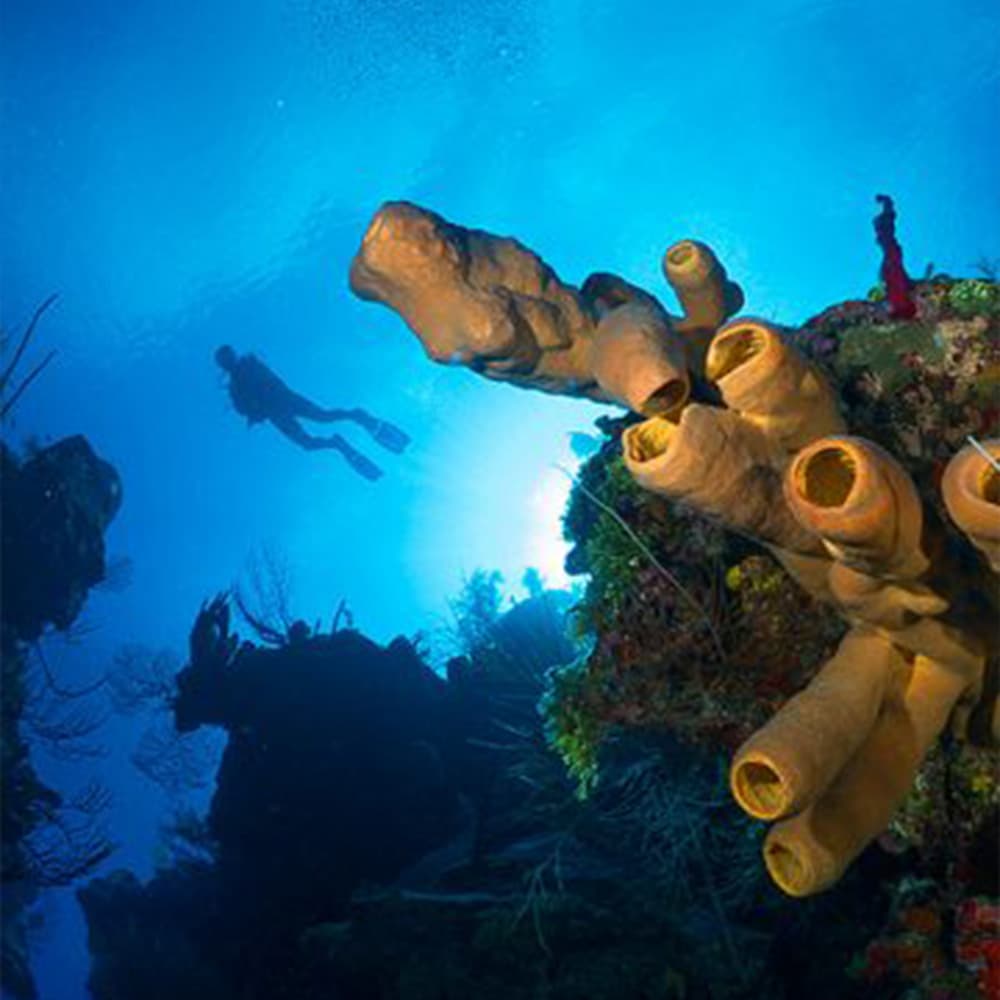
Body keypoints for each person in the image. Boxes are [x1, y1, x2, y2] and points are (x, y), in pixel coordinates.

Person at [214, 345, 409, 481]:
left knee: (324, 418)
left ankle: (355, 416)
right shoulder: (237, 384)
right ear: (224, 363)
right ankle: (338, 442)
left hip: (286, 402)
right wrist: (254, 412)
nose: (228, 361)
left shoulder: (248, 366)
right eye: (225, 360)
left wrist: (255, 412)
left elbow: (261, 392)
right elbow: (246, 409)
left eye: (227, 357)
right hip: (279, 411)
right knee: (309, 441)